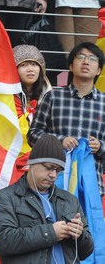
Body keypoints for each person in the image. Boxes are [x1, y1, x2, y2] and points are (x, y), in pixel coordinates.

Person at [0, 134, 94, 263]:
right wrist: (50, 233)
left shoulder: (70, 200)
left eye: (58, 170)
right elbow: (3, 241)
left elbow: (87, 252)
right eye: (49, 168)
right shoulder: (6, 197)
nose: (53, 175)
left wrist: (80, 235)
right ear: (32, 163)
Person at [28, 42, 105, 197]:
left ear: (98, 70)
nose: (86, 62)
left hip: (92, 186)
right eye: (81, 57)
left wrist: (100, 146)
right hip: (54, 183)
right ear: (70, 66)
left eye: (92, 58)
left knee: (88, 222)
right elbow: (33, 135)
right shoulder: (53, 97)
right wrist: (59, 140)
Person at [12, 44, 52, 122]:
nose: (30, 69)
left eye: (34, 64)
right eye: (24, 65)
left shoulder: (49, 95)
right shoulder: (6, 98)